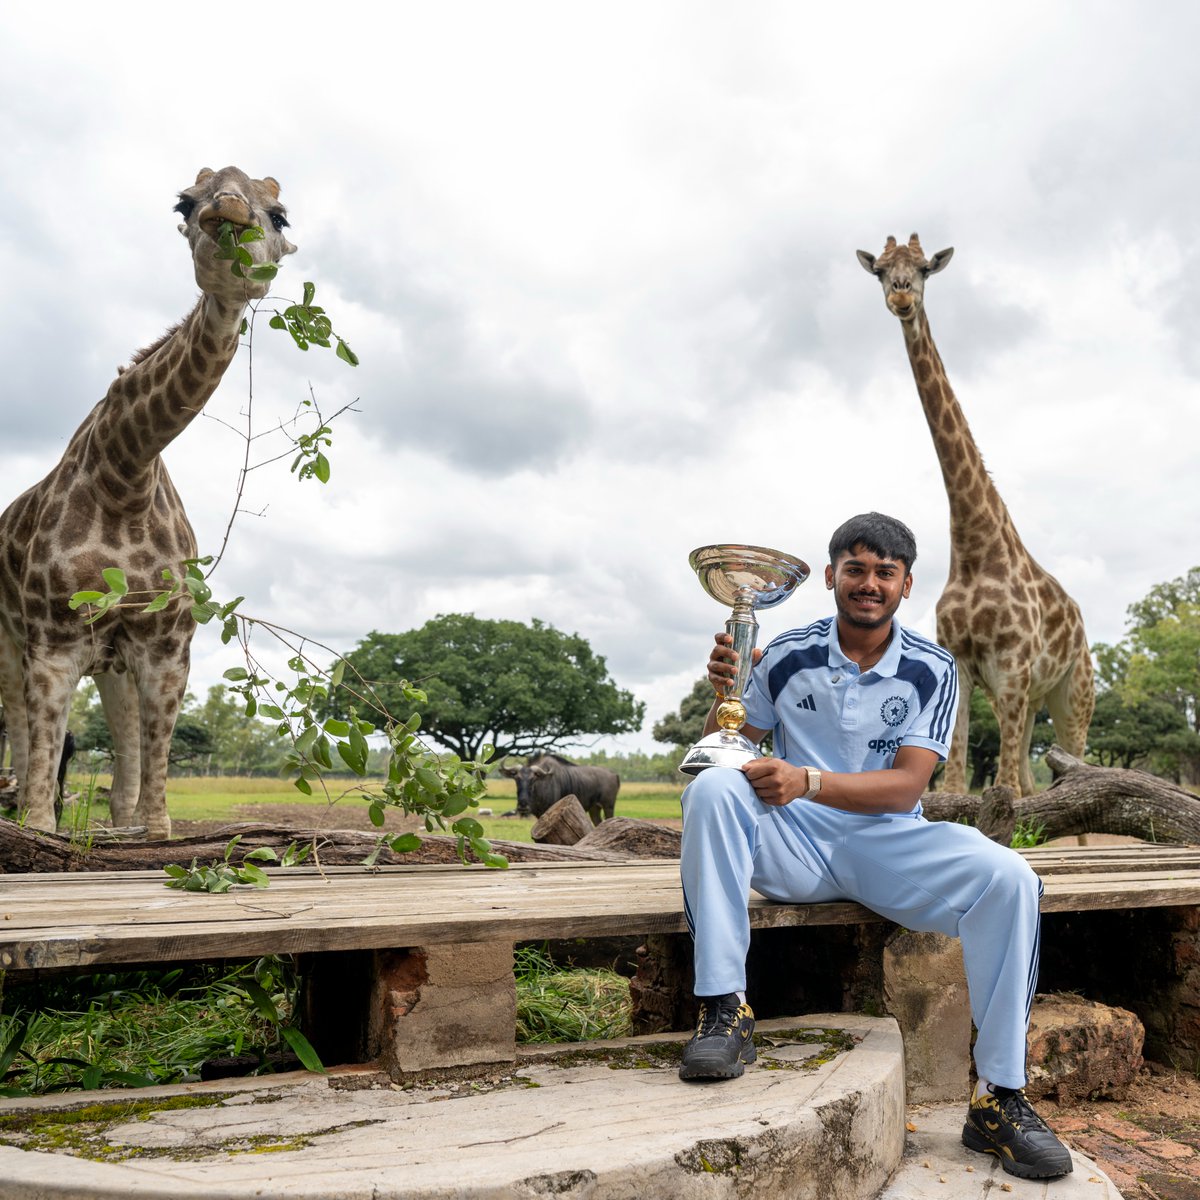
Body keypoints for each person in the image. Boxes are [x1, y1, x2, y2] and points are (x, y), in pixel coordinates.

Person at [677, 512, 1072, 1182]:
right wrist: (727, 692)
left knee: (1010, 878)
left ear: (905, 584)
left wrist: (807, 779)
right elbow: (731, 743)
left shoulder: (932, 667)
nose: (869, 583)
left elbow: (907, 786)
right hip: (792, 841)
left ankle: (998, 1097)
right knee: (712, 788)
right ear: (831, 576)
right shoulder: (787, 652)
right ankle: (724, 1011)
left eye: (885, 572)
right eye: (855, 569)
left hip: (887, 844)